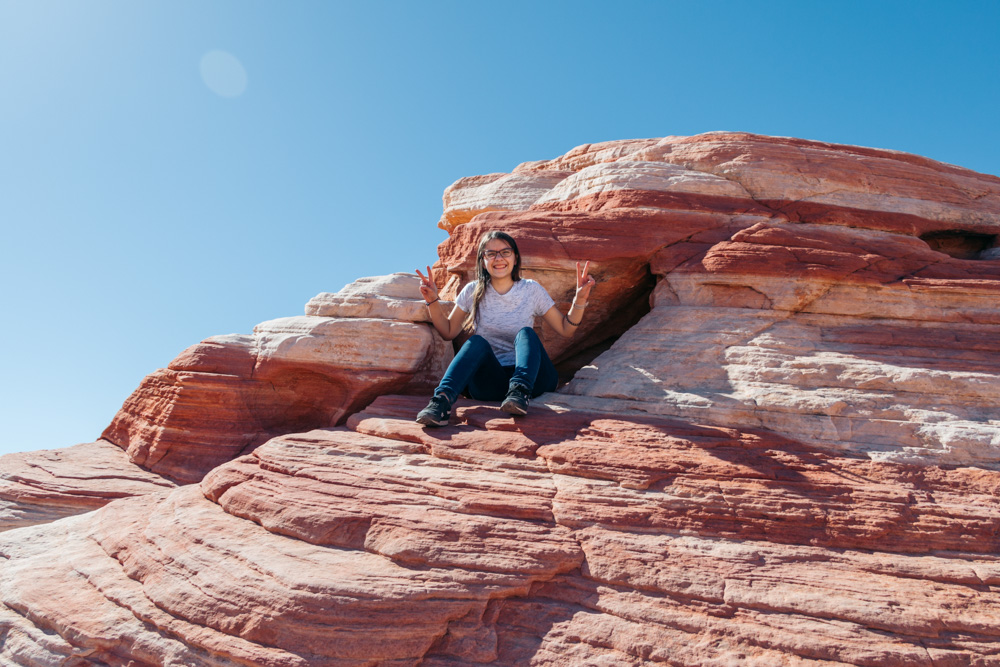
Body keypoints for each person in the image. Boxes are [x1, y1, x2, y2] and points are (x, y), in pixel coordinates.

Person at [414, 230, 596, 426]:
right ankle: (441, 402)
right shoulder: (472, 291)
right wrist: (432, 301)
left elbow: (566, 329)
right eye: (491, 253)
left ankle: (519, 392)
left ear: (515, 257)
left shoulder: (530, 289)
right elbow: (448, 332)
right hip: (491, 384)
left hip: (533, 381)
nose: (498, 258)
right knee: (476, 342)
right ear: (483, 260)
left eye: (505, 252)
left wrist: (580, 300)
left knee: (526, 333)